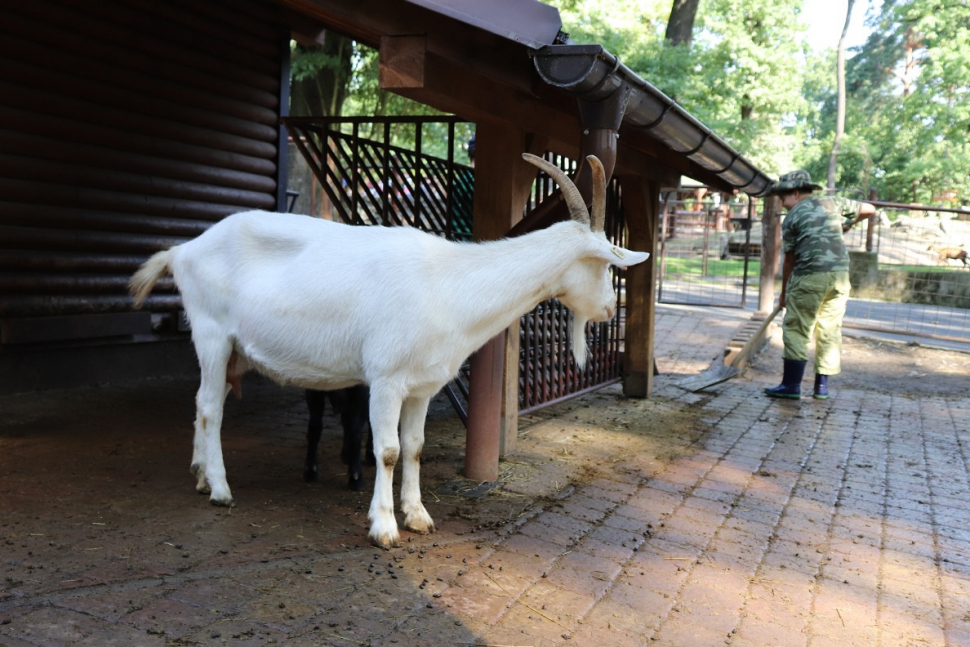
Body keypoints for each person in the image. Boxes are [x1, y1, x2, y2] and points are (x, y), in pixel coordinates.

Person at [764, 170, 876, 400]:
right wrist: (846, 223)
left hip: (809, 277)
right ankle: (821, 389)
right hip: (839, 277)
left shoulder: (793, 217)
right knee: (830, 329)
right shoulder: (831, 203)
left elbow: (790, 261)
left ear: (795, 193)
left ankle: (791, 386)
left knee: (797, 328)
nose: (783, 204)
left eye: (783, 198)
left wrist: (784, 293)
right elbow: (870, 209)